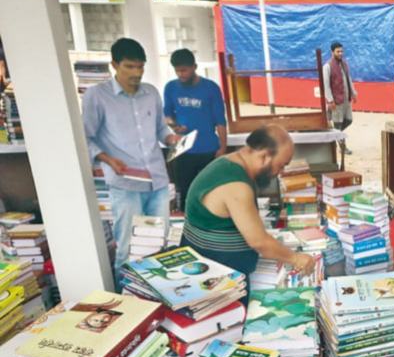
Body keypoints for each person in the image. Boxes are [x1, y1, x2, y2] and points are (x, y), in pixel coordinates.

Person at [82, 38, 182, 281]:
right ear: (114, 64)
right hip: (125, 184)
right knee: (128, 246)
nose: (136, 73)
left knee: (159, 243)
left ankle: (156, 295)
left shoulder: (151, 93)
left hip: (157, 181)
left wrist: (172, 139)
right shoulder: (97, 96)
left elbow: (160, 130)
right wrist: (107, 159)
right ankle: (125, 300)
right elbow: (85, 138)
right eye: (129, 67)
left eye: (140, 67)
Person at [181, 124, 316, 296]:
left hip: (211, 270)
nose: (280, 172)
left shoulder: (228, 163)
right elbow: (258, 242)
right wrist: (296, 258)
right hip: (214, 283)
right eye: (281, 165)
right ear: (265, 156)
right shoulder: (236, 185)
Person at [164, 48, 228, 210]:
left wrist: (223, 147)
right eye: (177, 71)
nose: (181, 74)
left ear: (194, 67)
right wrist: (174, 125)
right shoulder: (170, 87)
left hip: (209, 149)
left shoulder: (211, 88)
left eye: (184, 70)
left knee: (213, 193)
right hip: (183, 150)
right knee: (185, 194)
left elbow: (220, 119)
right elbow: (167, 114)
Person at [322, 42, 357, 155]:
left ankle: (335, 135)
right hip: (335, 101)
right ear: (332, 52)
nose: (340, 53)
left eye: (341, 51)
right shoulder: (327, 66)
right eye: (338, 51)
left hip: (346, 100)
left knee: (349, 120)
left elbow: (349, 79)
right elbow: (326, 85)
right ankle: (342, 147)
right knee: (337, 124)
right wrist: (330, 100)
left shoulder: (344, 64)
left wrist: (353, 93)